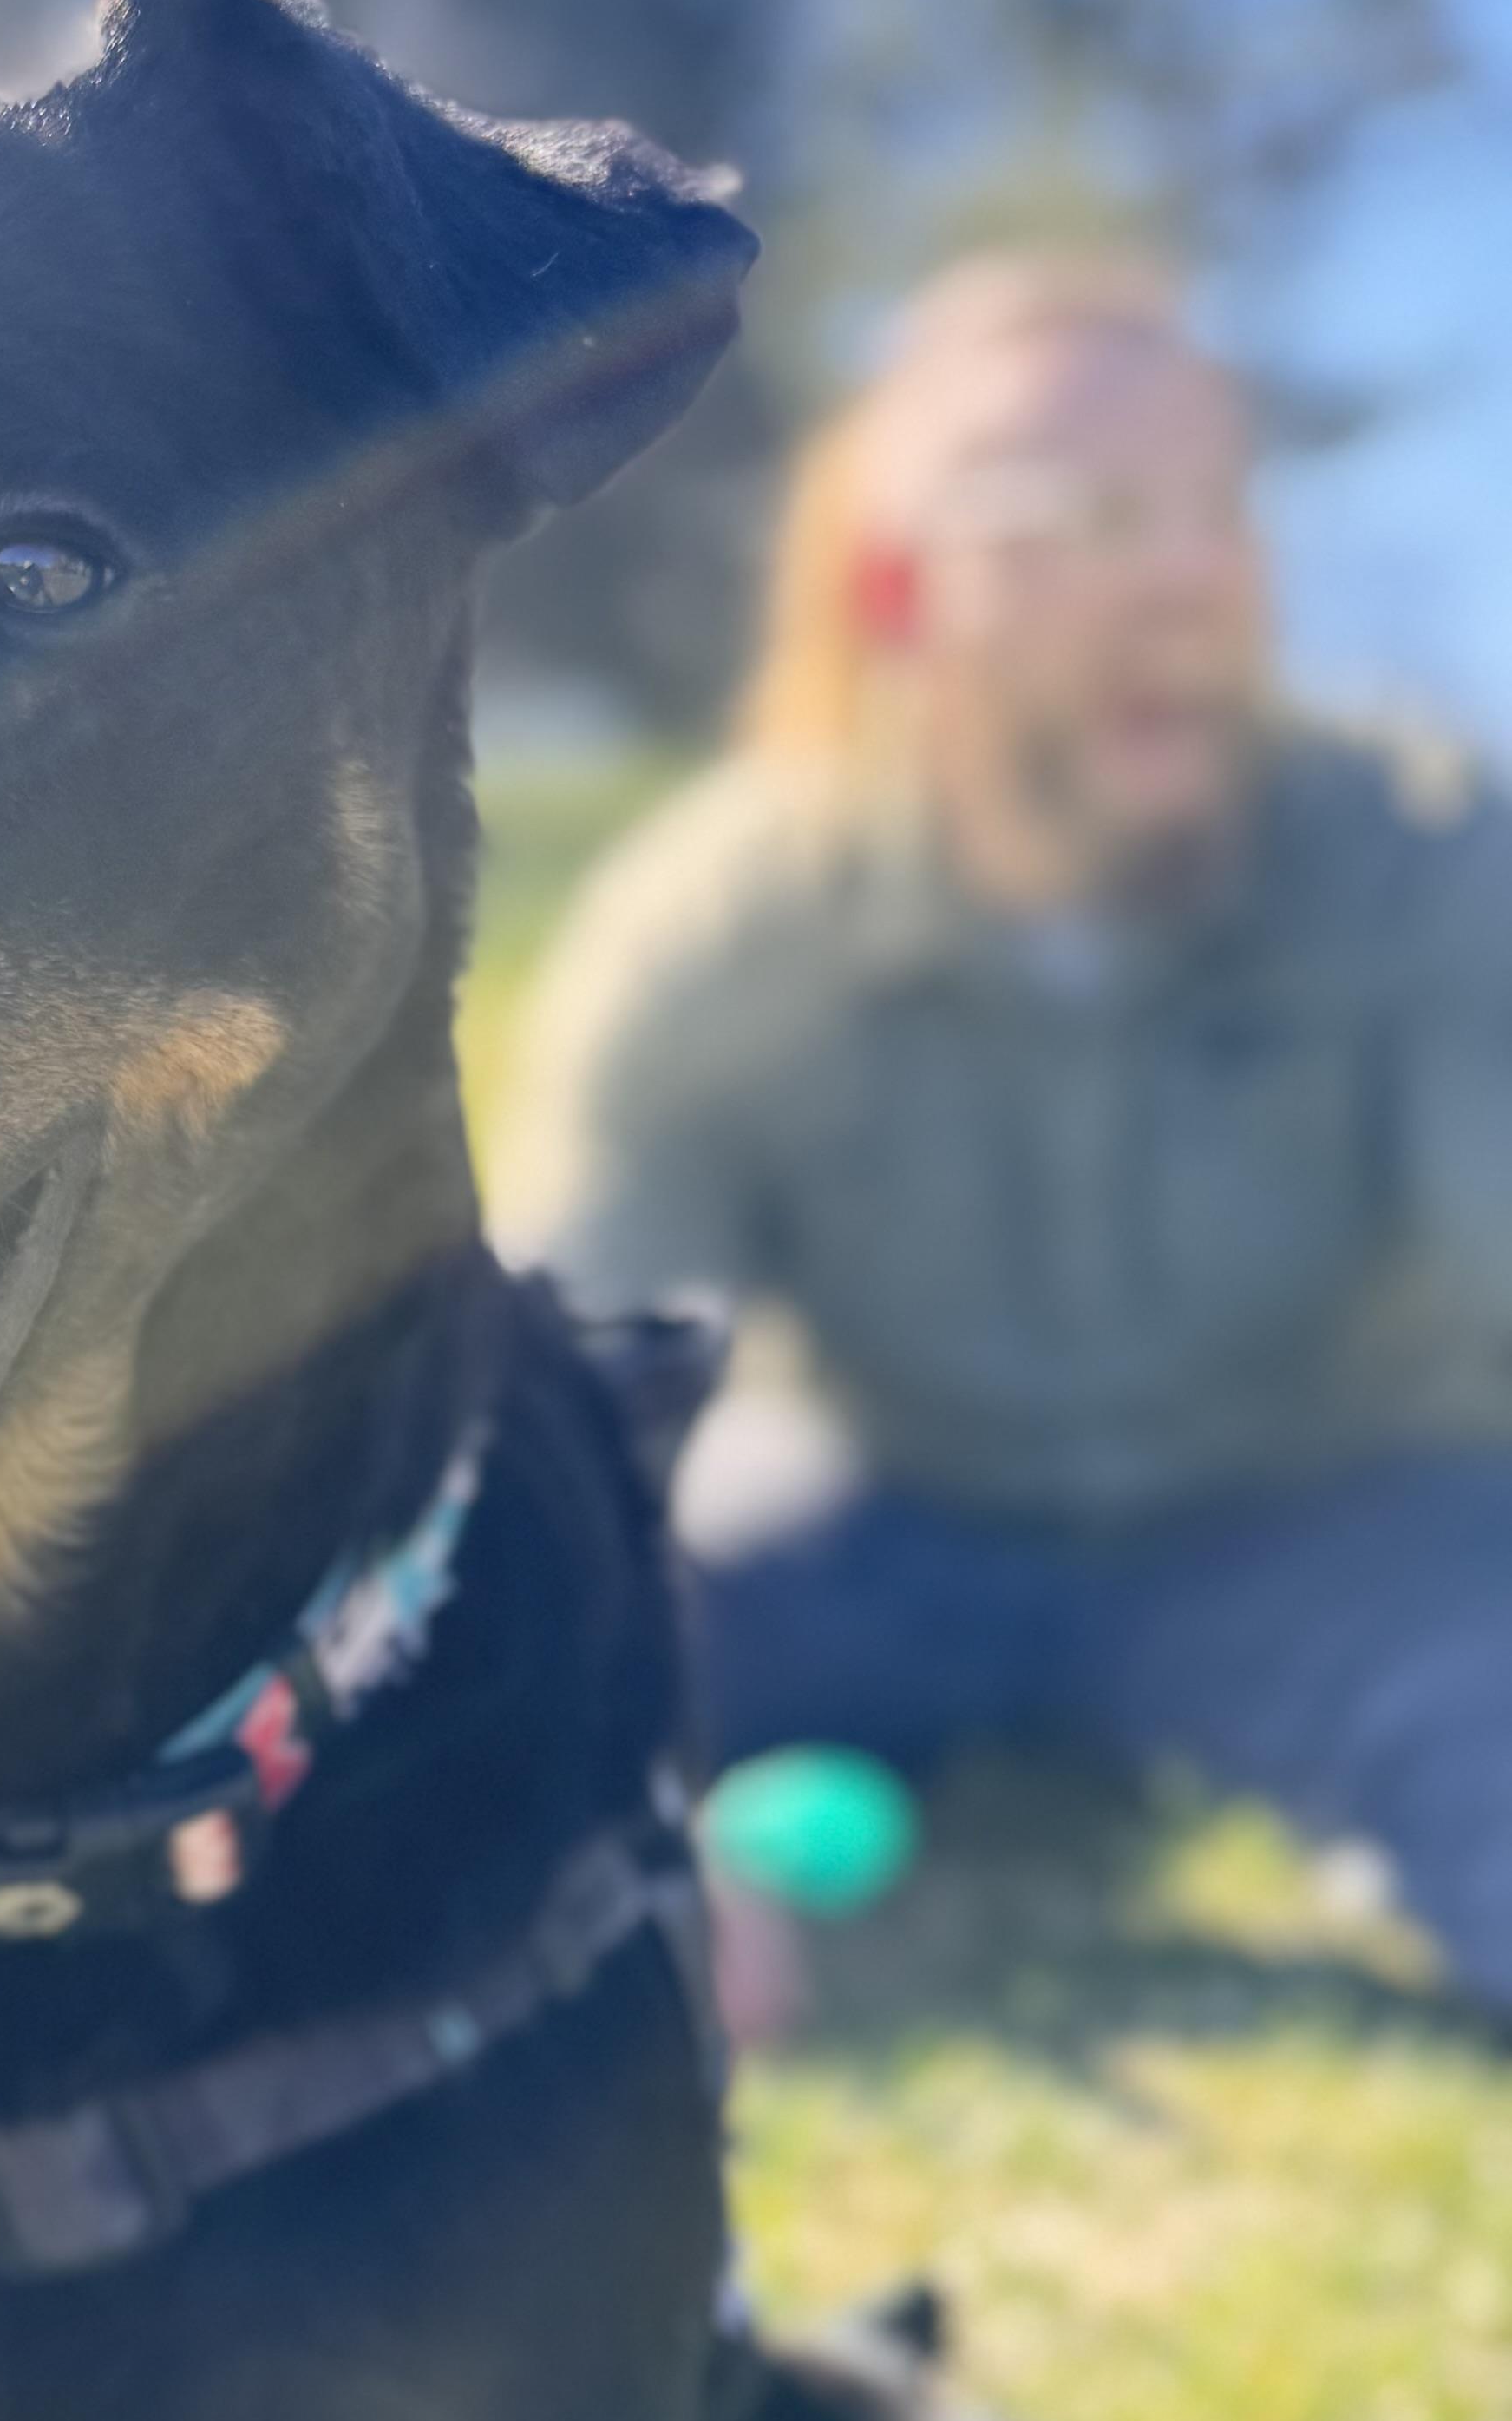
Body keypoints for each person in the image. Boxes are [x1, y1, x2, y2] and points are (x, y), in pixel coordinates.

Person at [504, 252, 1512, 2022]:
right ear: (903, 590)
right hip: (884, 1518)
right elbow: (558, 1422)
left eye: (1219, 508)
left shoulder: (1427, 857)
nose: (1198, 579)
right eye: (1097, 517)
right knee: (507, 1720)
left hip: (1341, 1524)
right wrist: (587, 1819)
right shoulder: (729, 927)